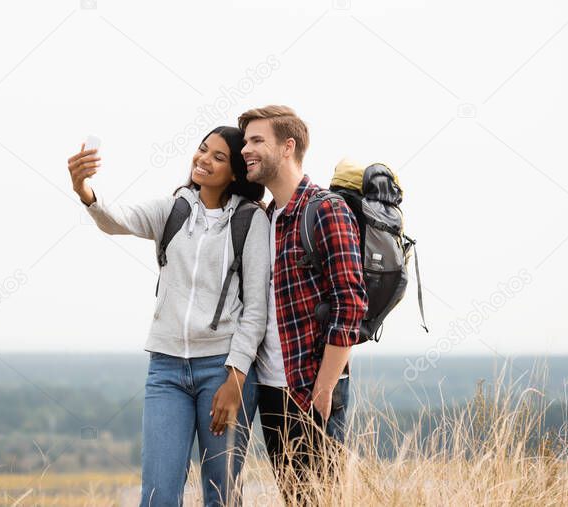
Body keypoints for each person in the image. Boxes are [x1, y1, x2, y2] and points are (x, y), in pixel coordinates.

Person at [67, 126, 269, 507]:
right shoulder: (172, 210)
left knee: (221, 495)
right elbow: (116, 219)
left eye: (218, 157)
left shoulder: (250, 220)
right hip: (166, 370)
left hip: (222, 370)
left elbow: (255, 310)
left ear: (236, 173)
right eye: (202, 149)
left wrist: (236, 377)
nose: (203, 159)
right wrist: (85, 191)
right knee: (158, 495)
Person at [238, 105, 367, 504]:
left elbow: (350, 306)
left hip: (311, 387)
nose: (246, 149)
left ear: (288, 146)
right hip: (271, 389)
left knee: (320, 499)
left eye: (257, 140)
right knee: (296, 499)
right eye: (245, 141)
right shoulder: (265, 216)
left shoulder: (326, 210)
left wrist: (324, 390)